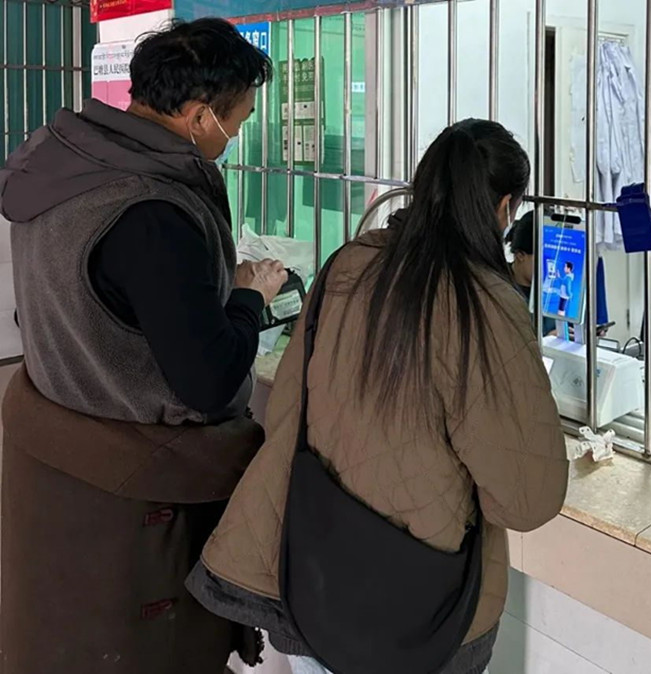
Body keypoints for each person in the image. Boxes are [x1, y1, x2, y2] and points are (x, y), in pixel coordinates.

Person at [187, 120, 570, 674]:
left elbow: (292, 407)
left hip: (316, 577)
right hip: (421, 610)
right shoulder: (483, 304)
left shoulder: (350, 263)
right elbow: (526, 498)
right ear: (505, 208)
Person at [0, 19, 288, 674]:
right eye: (237, 121)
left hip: (54, 462)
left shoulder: (61, 162)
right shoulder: (152, 210)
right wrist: (249, 297)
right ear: (198, 116)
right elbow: (209, 380)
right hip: (131, 492)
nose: (234, 136)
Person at [505, 211, 557, 335]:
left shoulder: (555, 289)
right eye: (544, 258)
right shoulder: (500, 290)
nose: (551, 266)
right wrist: (545, 341)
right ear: (520, 255)